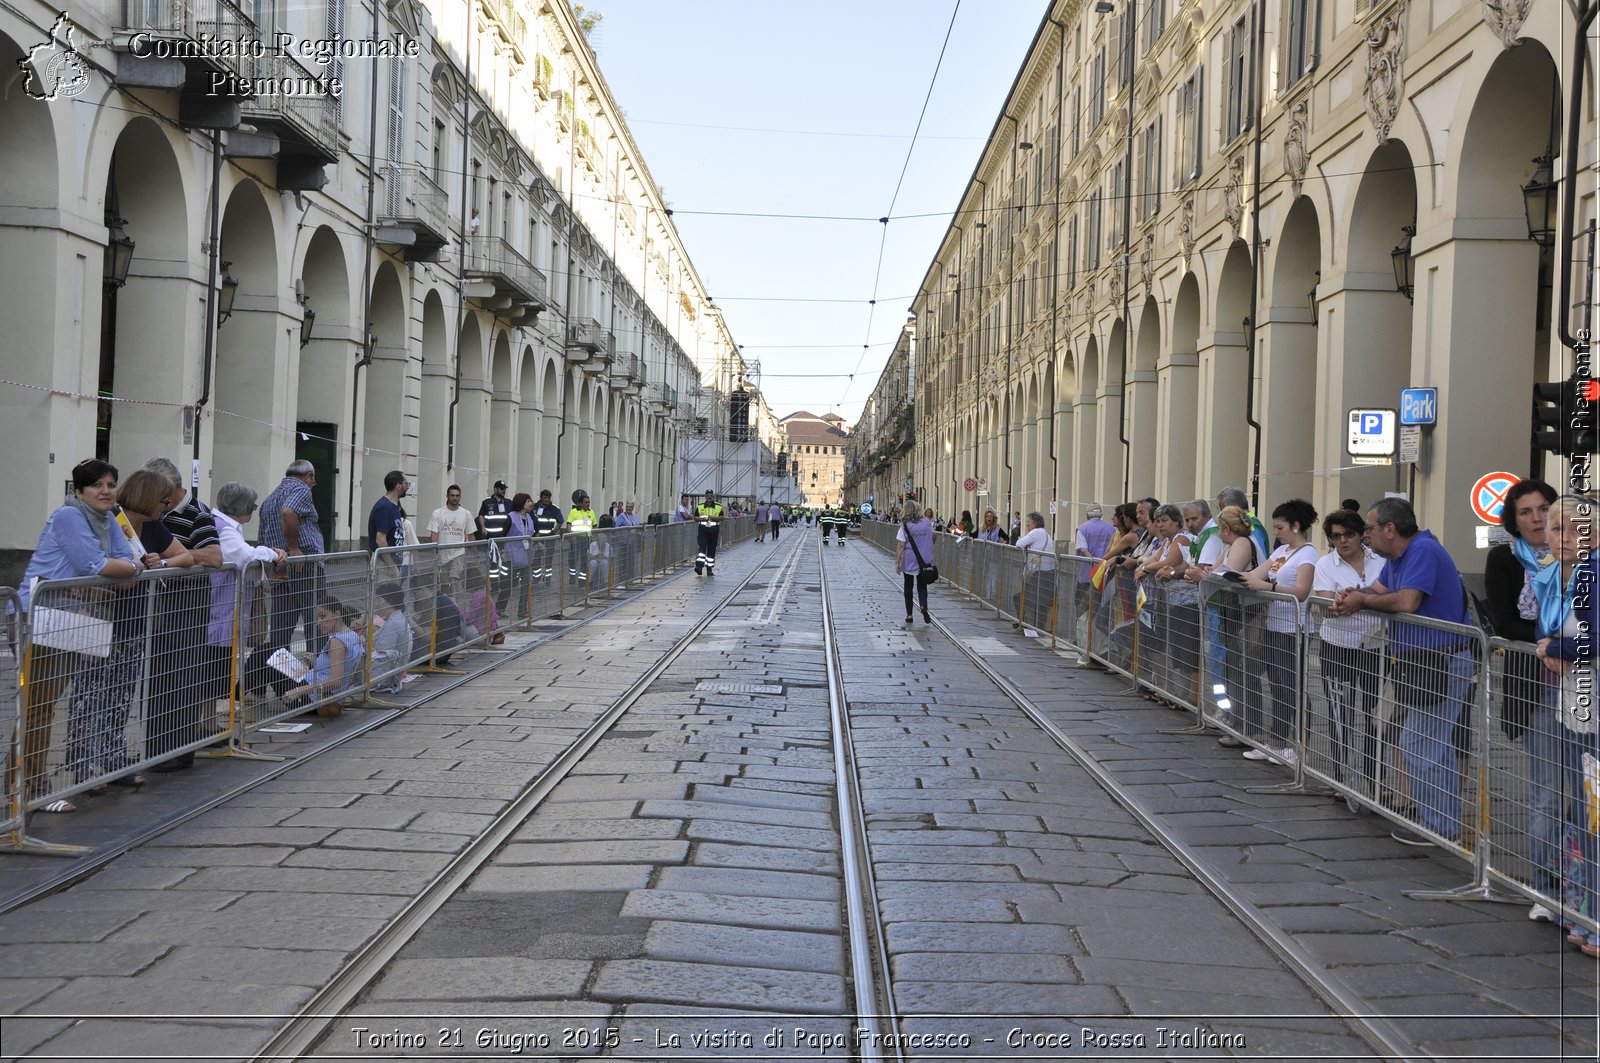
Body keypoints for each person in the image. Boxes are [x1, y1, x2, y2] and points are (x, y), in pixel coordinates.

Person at [1331, 497, 1472, 847]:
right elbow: (1378, 591)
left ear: (1390, 530)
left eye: (1370, 528)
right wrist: (1354, 595)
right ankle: (1440, 823)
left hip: (1440, 659)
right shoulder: (1399, 558)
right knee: (1427, 742)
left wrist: (1361, 601)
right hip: (1422, 660)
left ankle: (1438, 825)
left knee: (1419, 741)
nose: (1366, 535)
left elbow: (1407, 601)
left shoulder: (1422, 551)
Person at [12, 460, 142, 812]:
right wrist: (119, 571)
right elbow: (96, 566)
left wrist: (123, 569)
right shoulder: (69, 517)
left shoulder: (108, 517)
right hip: (41, 617)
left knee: (43, 704)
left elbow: (130, 559)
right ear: (79, 491)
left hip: (69, 620)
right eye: (97, 485)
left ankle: (20, 785)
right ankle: (32, 791)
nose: (106, 491)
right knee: (38, 707)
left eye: (111, 484)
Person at [67, 469, 196, 791]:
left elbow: (185, 555)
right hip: (98, 619)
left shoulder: (153, 526)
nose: (167, 506)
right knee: (88, 694)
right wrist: (129, 570)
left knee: (121, 695)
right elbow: (91, 563)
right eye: (163, 499)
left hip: (133, 620)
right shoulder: (109, 519)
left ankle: (114, 759)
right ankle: (83, 766)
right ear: (147, 496)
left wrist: (160, 564)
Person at [1484, 479, 1562, 920]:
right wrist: (1553, 642)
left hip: (1584, 690)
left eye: (1542, 509)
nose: (1536, 518)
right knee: (1547, 794)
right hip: (1537, 690)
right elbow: (1504, 621)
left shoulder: (1579, 557)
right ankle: (1546, 891)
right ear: (1513, 520)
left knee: (1587, 794)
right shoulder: (1504, 559)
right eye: (1526, 512)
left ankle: (1583, 886)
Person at [1532, 494, 1600, 954]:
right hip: (1576, 708)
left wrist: (1552, 649)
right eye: (1556, 529)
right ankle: (1584, 910)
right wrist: (1548, 643)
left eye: (1576, 530)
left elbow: (1591, 638)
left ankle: (1593, 916)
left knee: (1594, 814)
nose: (1563, 538)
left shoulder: (1591, 573)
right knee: (1583, 814)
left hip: (1591, 707)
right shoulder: (1565, 574)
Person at [141, 457, 224, 774]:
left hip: (186, 602)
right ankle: (159, 748)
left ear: (171, 488)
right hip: (161, 602)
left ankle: (177, 748)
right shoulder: (155, 514)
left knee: (181, 673)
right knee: (161, 674)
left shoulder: (196, 514)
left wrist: (170, 560)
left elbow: (215, 556)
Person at [1312, 508, 1386, 808]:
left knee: (1373, 715)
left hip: (1375, 646)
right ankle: (1342, 778)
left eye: (1349, 534)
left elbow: (1389, 596)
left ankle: (1372, 781)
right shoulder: (1325, 563)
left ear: (1361, 534)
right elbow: (1323, 602)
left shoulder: (1381, 560)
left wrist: (1354, 600)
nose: (1343, 541)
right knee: (1339, 713)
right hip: (1337, 644)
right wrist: (1358, 602)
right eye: (1336, 536)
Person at [1239, 499, 1320, 766]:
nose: (1277, 532)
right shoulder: (1282, 551)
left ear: (1296, 526)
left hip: (1294, 627)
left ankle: (1296, 744)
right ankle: (1276, 740)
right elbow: (1258, 573)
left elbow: (1301, 591)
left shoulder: (1307, 554)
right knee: (1276, 683)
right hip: (1274, 625)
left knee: (1289, 685)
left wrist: (1267, 586)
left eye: (1280, 527)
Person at [258, 459, 323, 652]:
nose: (312, 484)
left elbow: (263, 534)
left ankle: (280, 676)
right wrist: (294, 549)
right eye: (313, 480)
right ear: (309, 476)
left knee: (281, 628)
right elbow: (288, 511)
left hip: (279, 567)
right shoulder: (302, 489)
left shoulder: (270, 498)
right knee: (317, 621)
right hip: (303, 565)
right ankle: (316, 673)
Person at [275, 596, 364, 717]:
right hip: (318, 691)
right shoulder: (353, 635)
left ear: (337, 614)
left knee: (266, 651)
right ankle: (252, 694)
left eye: (323, 616)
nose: (318, 622)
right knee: (277, 654)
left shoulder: (337, 641)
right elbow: (345, 671)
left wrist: (298, 691)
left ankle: (250, 695)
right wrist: (316, 661)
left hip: (312, 698)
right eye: (317, 618)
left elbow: (336, 681)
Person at [1012, 512, 1056, 632]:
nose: (1027, 524)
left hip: (1039, 573)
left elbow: (1018, 543)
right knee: (1040, 602)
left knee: (1022, 598)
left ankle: (1025, 623)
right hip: (1049, 572)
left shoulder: (1035, 532)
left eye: (1028, 522)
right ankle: (1035, 626)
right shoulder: (1046, 534)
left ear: (1035, 523)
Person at [896, 502, 936, 625]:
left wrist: (897, 561)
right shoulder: (927, 522)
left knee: (908, 586)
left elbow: (901, 544)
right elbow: (933, 538)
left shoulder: (904, 525)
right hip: (924, 559)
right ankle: (923, 605)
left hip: (909, 559)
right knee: (922, 586)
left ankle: (909, 614)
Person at [427, 484, 473, 593]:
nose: (455, 498)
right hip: (443, 555)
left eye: (457, 495)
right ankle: (446, 605)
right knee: (443, 583)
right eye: (452, 495)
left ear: (460, 497)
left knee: (454, 580)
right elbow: (434, 534)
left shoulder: (466, 514)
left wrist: (475, 554)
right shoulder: (437, 513)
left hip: (459, 553)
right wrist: (435, 550)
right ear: (447, 496)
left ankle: (455, 604)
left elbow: (470, 535)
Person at [369, 583, 413, 693]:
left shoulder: (393, 624)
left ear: (389, 601)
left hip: (382, 678)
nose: (376, 604)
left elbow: (381, 657)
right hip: (392, 673)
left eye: (378, 599)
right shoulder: (396, 619)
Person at [506, 492, 536, 620]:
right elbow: (503, 534)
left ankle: (522, 610)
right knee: (507, 585)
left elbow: (532, 533)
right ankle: (499, 608)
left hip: (525, 556)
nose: (531, 503)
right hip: (511, 556)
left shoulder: (529, 517)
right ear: (521, 502)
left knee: (526, 584)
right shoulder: (510, 517)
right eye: (528, 501)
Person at [368, 470, 408, 555]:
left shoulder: (394, 507)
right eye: (406, 483)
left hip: (391, 563)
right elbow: (380, 540)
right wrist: (391, 565)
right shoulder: (384, 508)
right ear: (399, 486)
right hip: (384, 565)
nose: (407, 487)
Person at [532, 489, 563, 585]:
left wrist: (553, 532)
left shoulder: (554, 508)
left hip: (549, 537)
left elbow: (560, 521)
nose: (547, 500)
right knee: (536, 558)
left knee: (549, 558)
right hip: (537, 537)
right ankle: (536, 577)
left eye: (548, 498)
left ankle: (547, 578)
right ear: (541, 498)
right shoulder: (534, 507)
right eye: (545, 498)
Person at [567, 491, 598, 585]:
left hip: (587, 539)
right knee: (572, 559)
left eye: (589, 502)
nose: (588, 504)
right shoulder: (574, 511)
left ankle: (582, 579)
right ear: (580, 503)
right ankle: (572, 577)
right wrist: (571, 535)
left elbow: (595, 525)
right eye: (586, 502)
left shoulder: (591, 512)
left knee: (585, 560)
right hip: (576, 538)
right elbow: (569, 524)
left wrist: (594, 537)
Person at [694, 489, 725, 575]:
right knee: (702, 547)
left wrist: (712, 517)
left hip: (714, 530)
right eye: (708, 495)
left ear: (713, 497)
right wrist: (701, 519)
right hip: (703, 530)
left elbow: (722, 518)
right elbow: (695, 517)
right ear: (705, 496)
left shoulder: (718, 506)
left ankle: (709, 569)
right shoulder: (700, 506)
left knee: (711, 549)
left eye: (711, 495)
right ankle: (699, 566)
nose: (709, 497)